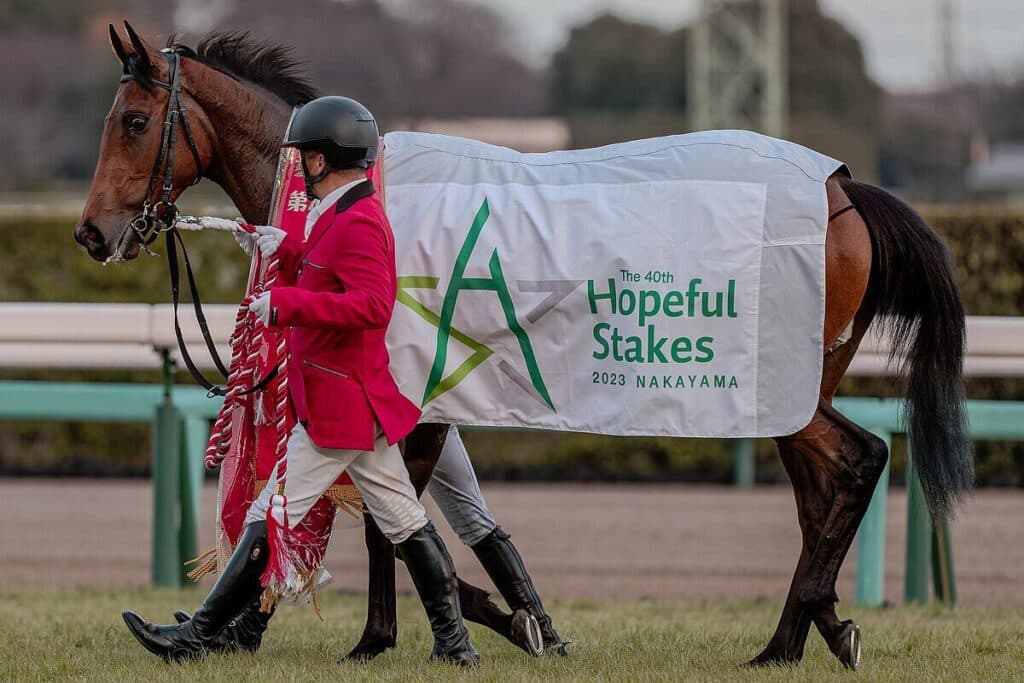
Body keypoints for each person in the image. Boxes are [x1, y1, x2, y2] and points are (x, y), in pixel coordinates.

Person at [121, 96, 478, 666]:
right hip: (347, 403)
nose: (302, 166)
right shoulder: (339, 213)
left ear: (322, 159)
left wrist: (284, 304)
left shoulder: (359, 220)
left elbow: (371, 306)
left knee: (271, 513)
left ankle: (199, 636)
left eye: (306, 156)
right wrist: (282, 250)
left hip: (340, 406)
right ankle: (456, 646)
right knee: (405, 520)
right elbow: (322, 269)